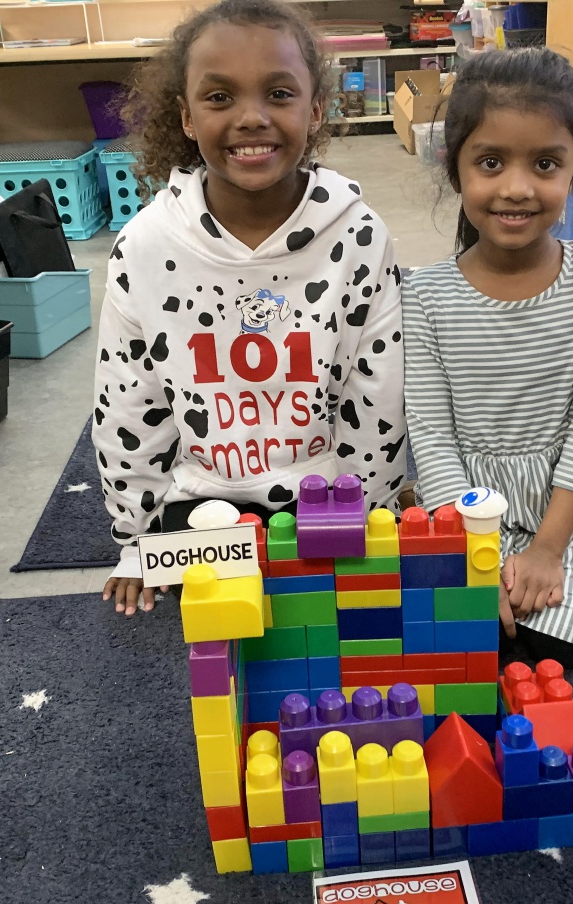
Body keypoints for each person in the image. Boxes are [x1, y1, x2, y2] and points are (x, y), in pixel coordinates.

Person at [93, 0, 407, 615]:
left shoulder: (359, 237)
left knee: (335, 621)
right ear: (185, 117)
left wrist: (370, 515)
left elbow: (378, 397)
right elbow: (128, 405)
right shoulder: (148, 245)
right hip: (202, 498)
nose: (252, 118)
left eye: (280, 93)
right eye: (219, 99)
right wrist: (136, 539)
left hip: (323, 490)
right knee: (221, 626)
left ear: (316, 109)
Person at [403, 47, 573, 665]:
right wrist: (474, 553)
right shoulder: (424, 291)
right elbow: (431, 436)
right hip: (464, 503)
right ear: (456, 167)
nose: (516, 188)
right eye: (490, 162)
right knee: (455, 628)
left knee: (546, 634)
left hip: (563, 509)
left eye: (545, 163)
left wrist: (547, 549)